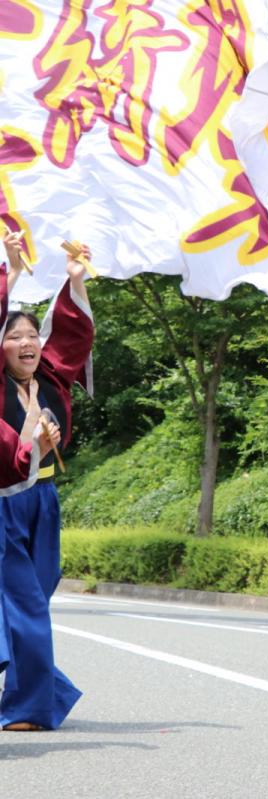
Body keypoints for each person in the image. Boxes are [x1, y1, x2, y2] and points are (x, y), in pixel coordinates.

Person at [0, 233, 92, 731]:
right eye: (14, 335)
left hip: (44, 499)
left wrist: (74, 279)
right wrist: (11, 272)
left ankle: (32, 685)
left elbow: (72, 338)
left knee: (37, 592)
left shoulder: (51, 379)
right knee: (23, 604)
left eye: (32, 334)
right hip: (2, 503)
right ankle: (31, 706)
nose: (28, 342)